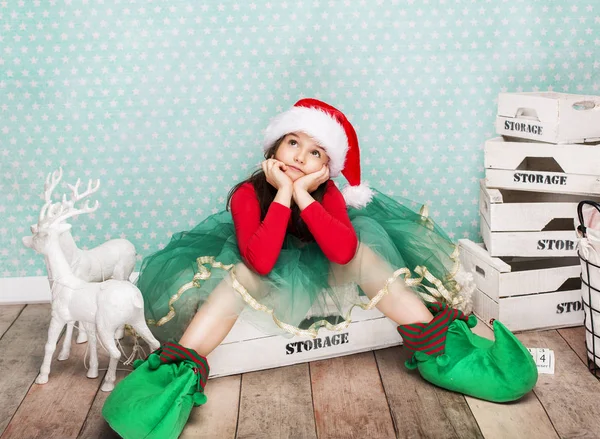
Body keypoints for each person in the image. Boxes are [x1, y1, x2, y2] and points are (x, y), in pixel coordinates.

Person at [103, 99, 537, 439]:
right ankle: (172, 379)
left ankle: (443, 355)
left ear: (325, 167)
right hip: (267, 272)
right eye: (293, 143)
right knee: (238, 279)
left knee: (364, 252)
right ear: (273, 147)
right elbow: (261, 260)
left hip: (325, 269)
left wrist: (305, 196)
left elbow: (344, 251)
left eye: (315, 153)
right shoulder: (246, 196)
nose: (300, 157)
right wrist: (282, 196)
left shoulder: (325, 195)